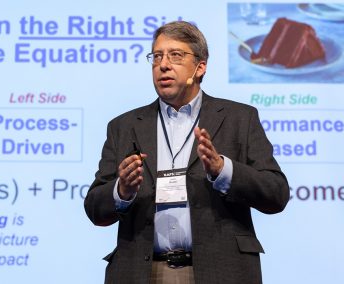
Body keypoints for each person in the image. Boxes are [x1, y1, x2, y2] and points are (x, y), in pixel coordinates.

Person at [84, 20, 289, 284]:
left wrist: (222, 170)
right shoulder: (123, 126)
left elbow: (277, 193)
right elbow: (94, 207)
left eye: (176, 55)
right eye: (157, 56)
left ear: (200, 67)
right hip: (142, 271)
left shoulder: (240, 118)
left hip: (219, 269)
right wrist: (121, 191)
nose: (163, 65)